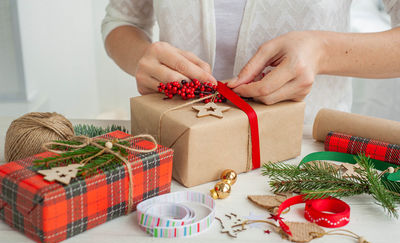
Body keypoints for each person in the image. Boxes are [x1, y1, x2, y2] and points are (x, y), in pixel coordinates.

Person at [102, 0, 400, 123]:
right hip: (178, 137)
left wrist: (322, 51)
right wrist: (142, 57)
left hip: (306, 156)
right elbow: (122, 20)